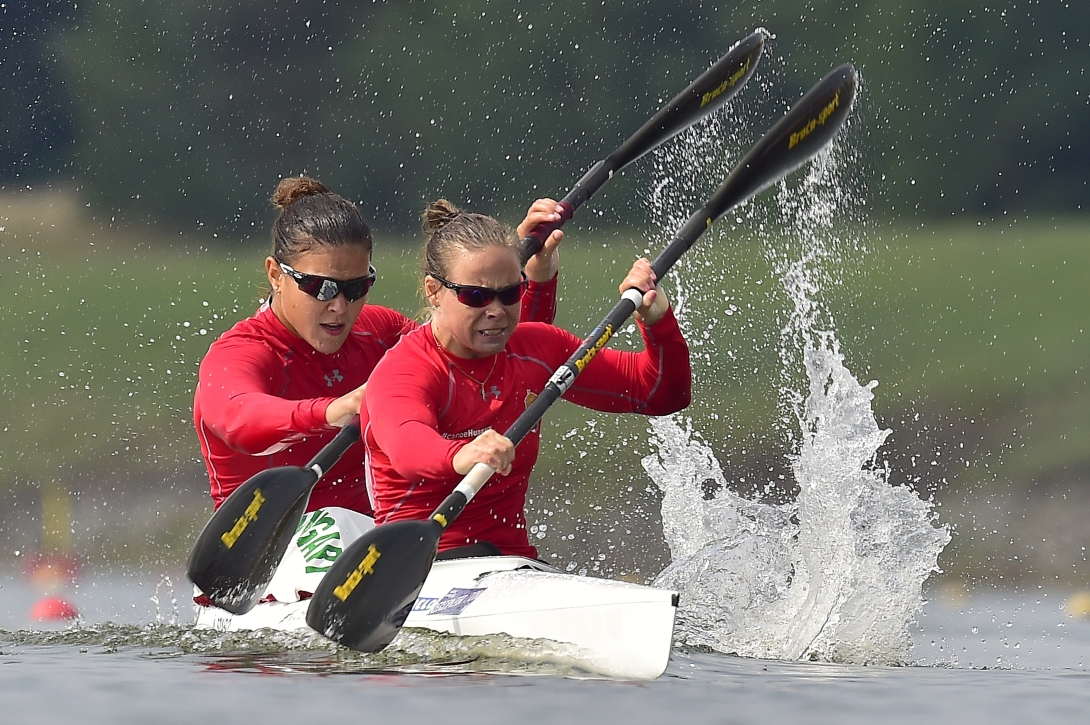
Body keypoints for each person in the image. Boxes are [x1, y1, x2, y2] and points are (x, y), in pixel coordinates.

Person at [193, 176, 565, 516]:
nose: (339, 306)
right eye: (320, 288)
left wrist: (530, 275)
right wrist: (337, 409)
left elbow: (488, 357)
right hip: (277, 556)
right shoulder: (240, 352)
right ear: (275, 274)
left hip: (374, 549)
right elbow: (237, 419)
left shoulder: (380, 332)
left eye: (356, 288)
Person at [360, 200, 692, 560]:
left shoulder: (535, 348)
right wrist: (463, 453)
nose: (496, 311)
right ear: (433, 290)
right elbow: (408, 447)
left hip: (511, 564)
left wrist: (657, 320)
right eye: (475, 296)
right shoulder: (405, 369)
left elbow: (658, 394)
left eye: (509, 293)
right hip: (418, 567)